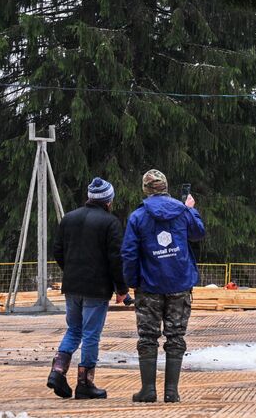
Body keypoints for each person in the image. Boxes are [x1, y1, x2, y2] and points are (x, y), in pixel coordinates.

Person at [122, 169, 205, 404]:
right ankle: (172, 391)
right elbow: (199, 233)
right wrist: (190, 209)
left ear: (145, 189)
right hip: (180, 283)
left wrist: (131, 281)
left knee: (148, 337)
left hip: (149, 285)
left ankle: (148, 390)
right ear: (166, 186)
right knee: (176, 336)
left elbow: (129, 253)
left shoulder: (137, 217)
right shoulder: (182, 211)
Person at [46, 177, 129, 400]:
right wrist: (122, 288)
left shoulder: (69, 218)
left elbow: (57, 250)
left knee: (74, 329)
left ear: (89, 197)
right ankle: (85, 383)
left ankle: (58, 371)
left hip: (72, 286)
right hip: (96, 288)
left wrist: (71, 270)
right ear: (108, 200)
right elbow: (116, 259)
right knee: (91, 334)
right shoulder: (110, 223)